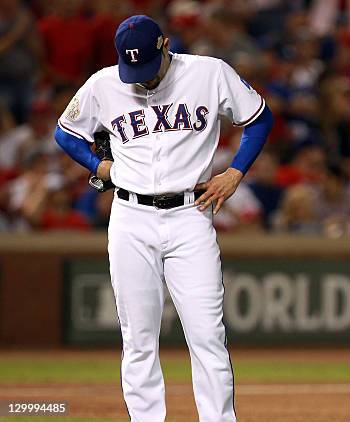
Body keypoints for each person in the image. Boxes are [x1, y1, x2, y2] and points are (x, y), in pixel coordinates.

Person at [54, 15, 273, 422]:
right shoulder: (104, 83)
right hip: (130, 217)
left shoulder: (209, 73)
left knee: (208, 334)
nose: (141, 78)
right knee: (137, 338)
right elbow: (66, 133)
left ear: (165, 45)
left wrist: (236, 171)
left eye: (147, 67)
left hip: (191, 215)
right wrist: (97, 167)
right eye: (131, 69)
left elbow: (259, 118)